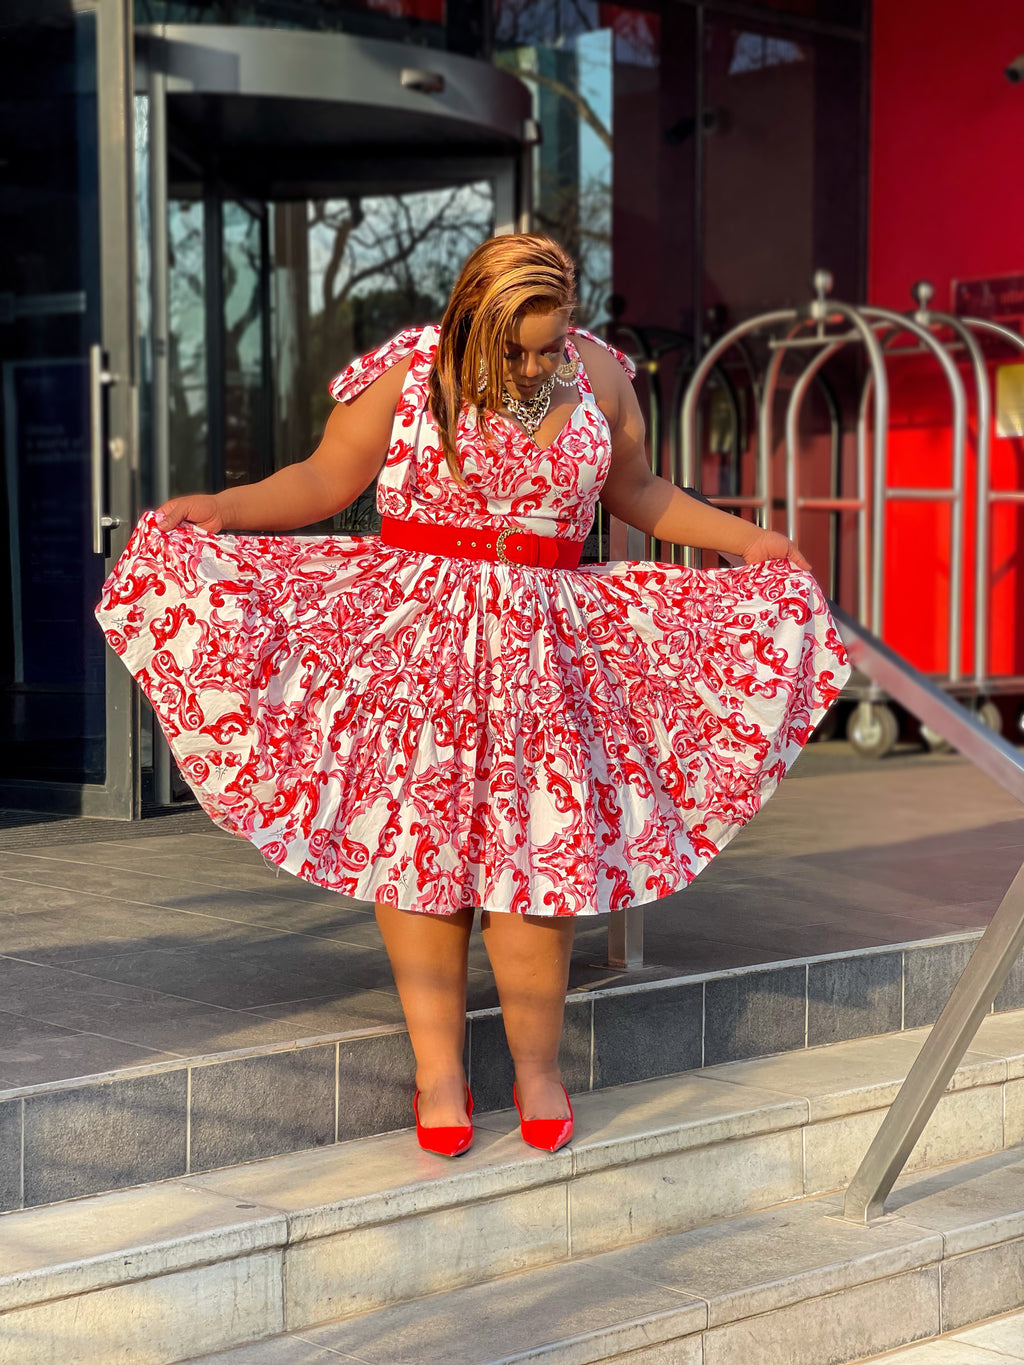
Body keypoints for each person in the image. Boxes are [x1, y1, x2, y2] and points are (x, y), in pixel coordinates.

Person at [95, 233, 850, 1159]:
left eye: (549, 343)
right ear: (470, 319)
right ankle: (439, 1072)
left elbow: (642, 493)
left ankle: (538, 1069)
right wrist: (227, 506)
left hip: (544, 646)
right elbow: (326, 481)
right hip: (420, 640)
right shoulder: (409, 372)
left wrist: (745, 540)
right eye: (519, 347)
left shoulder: (603, 376)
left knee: (540, 854)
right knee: (422, 852)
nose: (537, 363)